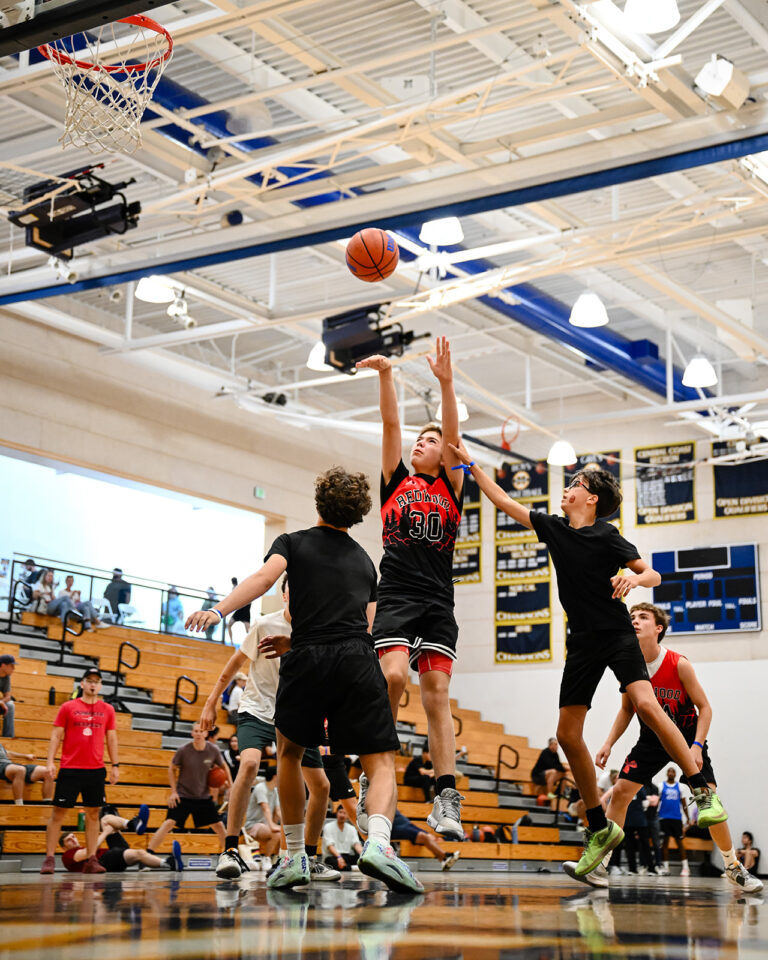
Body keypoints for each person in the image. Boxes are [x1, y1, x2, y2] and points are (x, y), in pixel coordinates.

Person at [447, 446, 729, 882]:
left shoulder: (608, 535)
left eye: (576, 484)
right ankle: (598, 827)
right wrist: (470, 466)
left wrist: (635, 578)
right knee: (566, 733)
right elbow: (504, 501)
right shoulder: (556, 529)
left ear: (591, 497)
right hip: (580, 642)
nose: (568, 487)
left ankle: (701, 790)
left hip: (616, 635)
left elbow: (651, 574)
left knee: (647, 705)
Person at [187, 466, 423, 894]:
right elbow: (366, 628)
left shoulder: (291, 543)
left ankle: (295, 855)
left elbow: (262, 580)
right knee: (380, 759)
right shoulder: (364, 561)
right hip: (355, 660)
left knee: (291, 754)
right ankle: (380, 845)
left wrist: (219, 611)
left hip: (305, 657)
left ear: (319, 502)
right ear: (358, 513)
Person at [356, 337, 465, 842]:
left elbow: (452, 432)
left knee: (437, 692)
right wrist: (385, 375)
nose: (423, 442)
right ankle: (372, 767)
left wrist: (445, 382)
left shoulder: (452, 487)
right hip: (396, 593)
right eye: (421, 440)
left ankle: (446, 798)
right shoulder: (395, 480)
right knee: (394, 676)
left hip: (437, 599)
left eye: (433, 440)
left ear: (446, 454)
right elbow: (391, 425)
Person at [595, 602, 760, 892]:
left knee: (708, 798)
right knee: (620, 792)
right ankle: (600, 863)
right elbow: (626, 710)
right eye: (631, 617)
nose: (634, 620)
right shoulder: (628, 666)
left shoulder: (678, 663)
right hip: (650, 739)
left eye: (643, 617)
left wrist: (696, 745)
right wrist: (609, 742)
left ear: (658, 629)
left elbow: (705, 708)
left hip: (685, 735)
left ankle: (733, 865)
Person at [197, 574, 337, 882]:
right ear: (284, 595)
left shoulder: (317, 631)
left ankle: (309, 857)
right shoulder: (264, 624)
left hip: (296, 715)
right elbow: (233, 665)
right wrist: (210, 703)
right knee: (248, 764)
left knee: (322, 786)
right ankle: (230, 849)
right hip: (258, 710)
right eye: (294, 591)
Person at [40, 667, 119, 875]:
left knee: (94, 814)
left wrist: (115, 765)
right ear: (82, 683)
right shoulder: (68, 707)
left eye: (97, 681)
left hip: (95, 769)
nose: (93, 684)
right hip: (70, 768)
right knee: (58, 813)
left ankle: (92, 858)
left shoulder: (107, 710)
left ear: (100, 685)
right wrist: (50, 761)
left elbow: (111, 738)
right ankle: (49, 858)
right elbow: (56, 735)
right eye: (89, 680)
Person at [146, 722, 229, 856]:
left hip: (203, 797)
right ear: (192, 733)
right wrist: (173, 792)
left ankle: (229, 855)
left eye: (201, 731)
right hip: (183, 795)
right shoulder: (183, 750)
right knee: (168, 823)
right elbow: (171, 769)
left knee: (219, 825)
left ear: (206, 733)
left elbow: (224, 766)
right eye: (195, 731)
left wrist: (230, 785)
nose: (198, 734)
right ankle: (148, 853)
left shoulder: (213, 750)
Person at [60, 806, 183, 873]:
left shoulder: (76, 850)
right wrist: (106, 833)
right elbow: (89, 852)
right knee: (139, 853)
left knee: (106, 818)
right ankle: (168, 863)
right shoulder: (67, 856)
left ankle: (133, 824)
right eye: (69, 840)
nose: (73, 840)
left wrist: (107, 832)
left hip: (111, 853)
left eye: (73, 836)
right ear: (64, 847)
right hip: (105, 861)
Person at [391, 808, 461, 871]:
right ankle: (444, 857)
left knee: (428, 836)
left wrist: (427, 833)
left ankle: (443, 858)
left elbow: (404, 821)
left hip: (405, 824)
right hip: (394, 828)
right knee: (423, 836)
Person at [244, 767, 281, 861]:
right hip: (252, 825)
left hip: (265, 825)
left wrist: (286, 825)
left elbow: (278, 811)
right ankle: (269, 858)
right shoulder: (260, 788)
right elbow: (266, 808)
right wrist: (272, 825)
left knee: (278, 834)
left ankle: (267, 859)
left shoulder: (275, 790)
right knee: (275, 832)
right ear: (275, 776)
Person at [322, 804, 363, 871]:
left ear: (347, 815)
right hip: (333, 857)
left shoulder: (352, 828)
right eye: (340, 812)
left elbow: (356, 844)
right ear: (336, 813)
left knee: (360, 859)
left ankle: (349, 867)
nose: (342, 815)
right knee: (331, 862)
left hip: (347, 856)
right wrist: (339, 857)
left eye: (345, 813)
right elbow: (330, 846)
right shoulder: (328, 826)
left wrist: (363, 856)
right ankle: (355, 868)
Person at [227, 577, 251, 643]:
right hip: (239, 611)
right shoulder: (235, 588)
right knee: (229, 625)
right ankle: (231, 642)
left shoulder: (246, 591)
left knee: (248, 631)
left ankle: (250, 644)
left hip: (245, 611)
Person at [0, 654, 16, 738]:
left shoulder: (6, 677)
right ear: (3, 665)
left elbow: (8, 697)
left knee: (10, 705)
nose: (14, 669)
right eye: (11, 666)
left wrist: (1, 702)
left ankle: (8, 737)